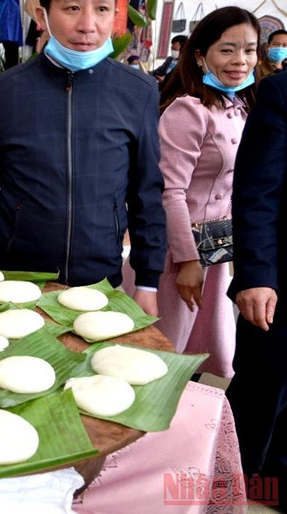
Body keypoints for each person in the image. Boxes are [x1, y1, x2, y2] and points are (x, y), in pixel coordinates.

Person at [0, 0, 166, 315]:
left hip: (99, 284)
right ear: (43, 15)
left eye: (102, 9)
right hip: (16, 282)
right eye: (72, 8)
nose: (88, 25)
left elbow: (147, 193)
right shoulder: (5, 92)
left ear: (115, 16)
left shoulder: (138, 92)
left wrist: (148, 282)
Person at [152, 7, 259, 378]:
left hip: (215, 251)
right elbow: (171, 192)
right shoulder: (188, 110)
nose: (240, 60)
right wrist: (187, 261)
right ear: (200, 57)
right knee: (165, 352)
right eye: (227, 50)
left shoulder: (242, 109)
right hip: (178, 252)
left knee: (196, 350)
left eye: (249, 50)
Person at [225, 71, 287, 509]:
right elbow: (257, 192)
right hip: (278, 286)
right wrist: (257, 275)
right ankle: (225, 486)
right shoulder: (281, 92)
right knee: (260, 393)